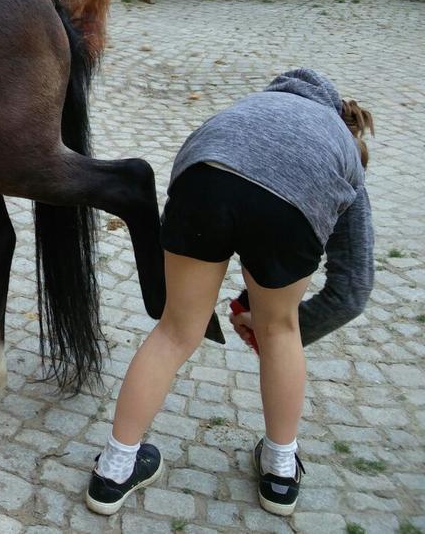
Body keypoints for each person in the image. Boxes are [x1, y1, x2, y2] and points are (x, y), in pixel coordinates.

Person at [85, 69, 375, 518]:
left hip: (205, 178)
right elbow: (353, 289)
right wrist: (264, 328)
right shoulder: (341, 147)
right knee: (283, 330)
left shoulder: (248, 109)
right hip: (291, 203)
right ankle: (280, 473)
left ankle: (114, 469)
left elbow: (186, 167)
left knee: (175, 332)